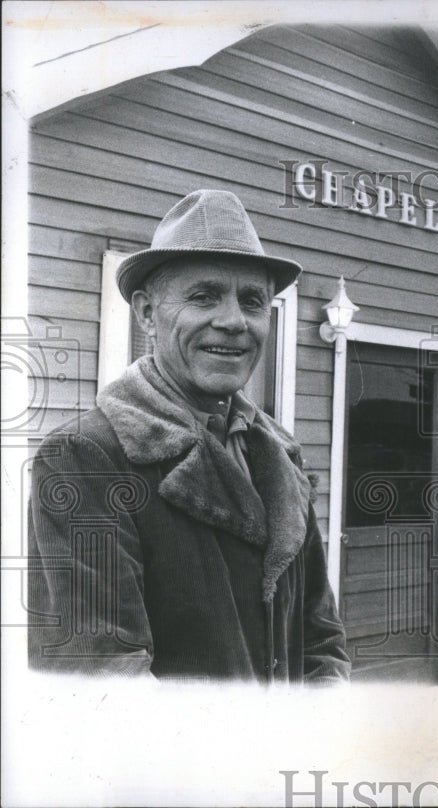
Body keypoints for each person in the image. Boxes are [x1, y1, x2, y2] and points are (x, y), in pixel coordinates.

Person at [27, 189, 351, 683]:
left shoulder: (281, 454)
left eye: (252, 301)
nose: (234, 322)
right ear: (146, 313)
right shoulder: (86, 457)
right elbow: (102, 675)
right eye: (203, 296)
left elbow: (321, 640)